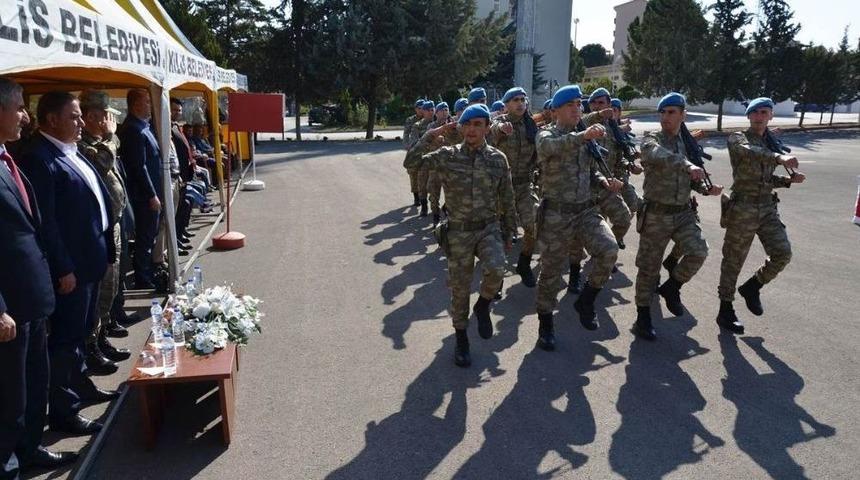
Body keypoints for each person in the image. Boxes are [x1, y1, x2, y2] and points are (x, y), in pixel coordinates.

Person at [20, 91, 118, 438]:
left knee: (81, 333)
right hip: (71, 271)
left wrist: (106, 247)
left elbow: (97, 202)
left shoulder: (72, 150)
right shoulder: (39, 158)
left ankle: (81, 385)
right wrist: (63, 268)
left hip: (90, 261)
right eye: (75, 116)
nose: (82, 122)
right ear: (51, 120)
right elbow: (47, 223)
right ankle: (64, 411)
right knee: (65, 341)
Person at [0, 78, 77, 480]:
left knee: (32, 388)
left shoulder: (8, 158)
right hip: (9, 308)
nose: (24, 116)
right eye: (18, 108)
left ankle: (29, 451)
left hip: (32, 298)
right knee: (9, 400)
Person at [419, 105, 516, 367]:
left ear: (487, 128)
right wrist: (431, 135)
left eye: (478, 124)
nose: (472, 129)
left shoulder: (498, 159)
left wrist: (510, 232)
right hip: (459, 231)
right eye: (467, 124)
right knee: (460, 290)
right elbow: (412, 162)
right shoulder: (447, 156)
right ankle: (461, 337)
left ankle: (483, 305)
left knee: (497, 270)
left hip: (488, 228)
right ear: (460, 127)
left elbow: (507, 198)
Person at [533, 85, 621, 351]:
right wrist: (583, 135)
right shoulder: (547, 134)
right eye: (569, 105)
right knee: (550, 273)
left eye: (578, 105)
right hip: (556, 214)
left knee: (609, 250)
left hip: (585, 210)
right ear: (556, 110)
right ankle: (546, 323)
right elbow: (551, 148)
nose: (576, 109)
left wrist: (605, 181)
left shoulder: (585, 139)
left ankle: (586, 300)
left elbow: (590, 171)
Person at [632, 92, 723, 340]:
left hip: (683, 212)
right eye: (662, 112)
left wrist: (706, 188)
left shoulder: (686, 143)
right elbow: (652, 153)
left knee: (698, 251)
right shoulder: (653, 138)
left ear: (683, 115)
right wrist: (686, 165)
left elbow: (691, 179)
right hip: (656, 214)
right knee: (648, 269)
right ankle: (643, 316)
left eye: (671, 112)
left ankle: (672, 287)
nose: (665, 117)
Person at [716, 97, 804, 334]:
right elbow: (749, 151)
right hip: (742, 207)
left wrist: (787, 180)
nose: (759, 116)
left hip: (767, 208)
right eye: (754, 112)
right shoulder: (738, 138)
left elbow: (766, 179)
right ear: (748, 116)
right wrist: (778, 157)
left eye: (764, 112)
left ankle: (753, 287)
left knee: (782, 253)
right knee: (733, 260)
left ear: (770, 116)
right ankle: (725, 309)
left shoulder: (772, 142)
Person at [77, 90, 131, 375]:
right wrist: (111, 137)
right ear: (91, 117)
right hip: (99, 230)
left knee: (110, 287)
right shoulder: (84, 145)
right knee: (101, 291)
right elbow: (103, 163)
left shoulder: (99, 142)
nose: (109, 122)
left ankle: (101, 336)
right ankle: (92, 347)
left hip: (114, 223)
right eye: (104, 117)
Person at [490, 87, 540, 288]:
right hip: (502, 188)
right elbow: (493, 128)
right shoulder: (501, 123)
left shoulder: (531, 126)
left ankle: (524, 264)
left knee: (534, 226)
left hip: (524, 186)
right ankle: (497, 279)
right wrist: (502, 130)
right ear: (507, 105)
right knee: (502, 234)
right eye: (515, 100)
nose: (520, 103)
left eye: (522, 99)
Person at [118, 88, 161, 289]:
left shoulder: (143, 126)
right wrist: (151, 194)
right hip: (143, 196)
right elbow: (138, 166)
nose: (150, 106)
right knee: (145, 236)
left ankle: (148, 271)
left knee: (150, 235)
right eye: (146, 102)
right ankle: (143, 278)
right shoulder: (133, 130)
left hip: (152, 191)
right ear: (135, 105)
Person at [403, 101, 435, 216]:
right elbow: (408, 136)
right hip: (419, 155)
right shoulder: (414, 123)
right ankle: (420, 199)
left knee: (433, 182)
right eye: (421, 108)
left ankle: (433, 205)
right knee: (416, 176)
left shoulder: (436, 122)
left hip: (435, 156)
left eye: (433, 109)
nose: (430, 112)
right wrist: (408, 147)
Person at [402, 99, 424, 206]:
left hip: (425, 150)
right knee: (413, 173)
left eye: (423, 108)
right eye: (419, 108)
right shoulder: (410, 120)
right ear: (415, 109)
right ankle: (416, 196)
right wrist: (406, 145)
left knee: (424, 174)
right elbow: (406, 133)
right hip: (413, 150)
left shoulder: (429, 119)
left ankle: (423, 195)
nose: (421, 110)